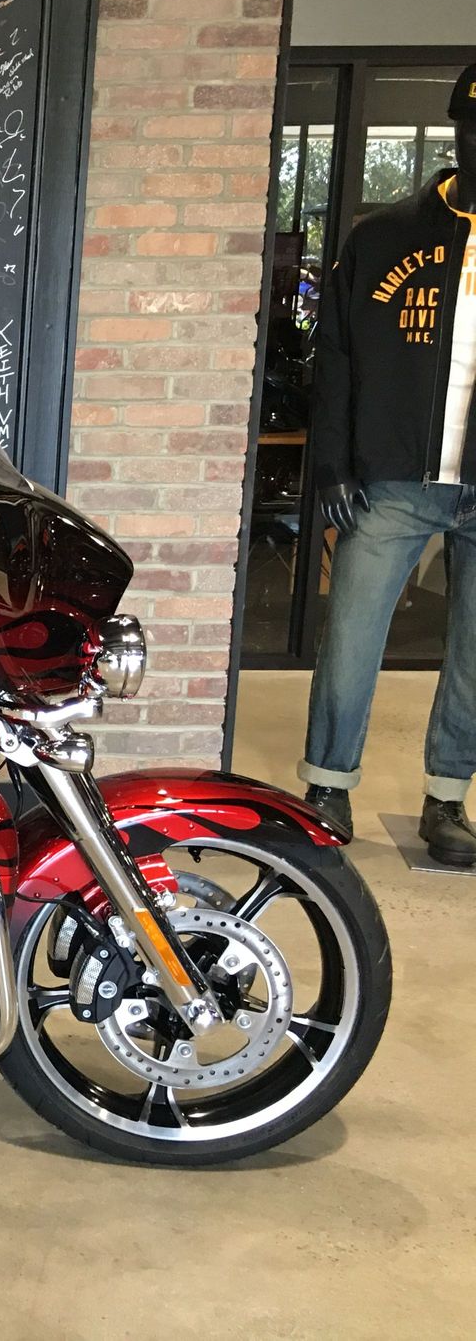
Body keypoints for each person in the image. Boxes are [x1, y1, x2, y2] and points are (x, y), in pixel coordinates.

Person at [300, 64, 476, 865]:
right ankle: (328, 783)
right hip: (392, 477)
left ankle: (447, 799)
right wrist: (332, 465)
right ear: (456, 132)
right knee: (352, 634)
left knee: (473, 653)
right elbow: (335, 358)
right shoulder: (383, 237)